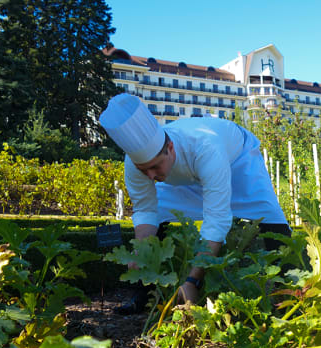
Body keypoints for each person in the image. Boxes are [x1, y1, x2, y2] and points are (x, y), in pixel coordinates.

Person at [99, 93, 290, 310]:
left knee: (270, 216)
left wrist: (193, 281)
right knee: (160, 215)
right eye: (145, 170)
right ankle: (143, 296)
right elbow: (146, 210)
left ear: (170, 148)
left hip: (238, 160)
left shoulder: (206, 147)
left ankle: (293, 290)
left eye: (154, 167)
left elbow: (216, 220)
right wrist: (140, 251)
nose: (151, 176)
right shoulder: (136, 165)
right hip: (184, 171)